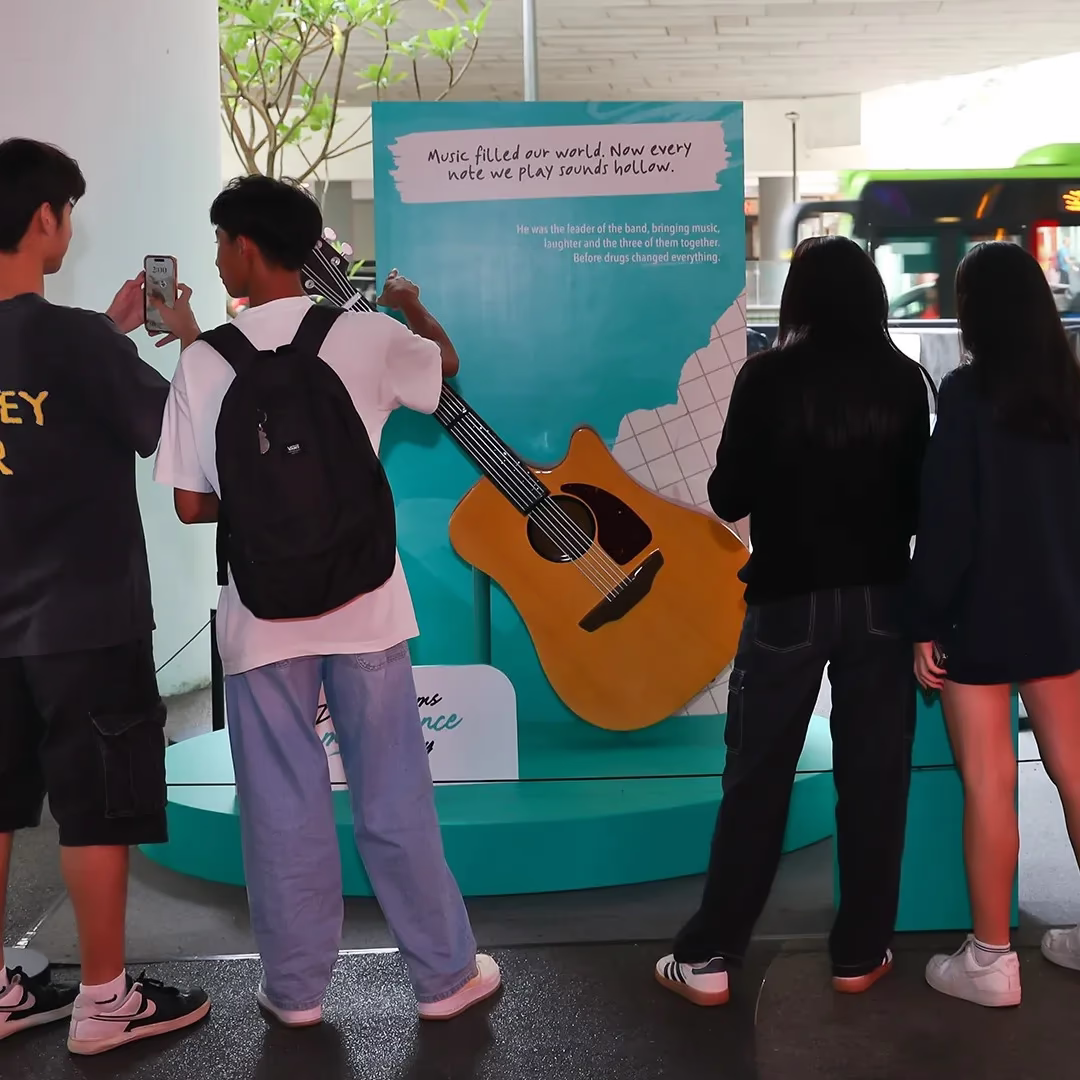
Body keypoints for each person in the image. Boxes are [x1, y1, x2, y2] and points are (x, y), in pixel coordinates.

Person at [154, 175, 500, 1027]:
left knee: (280, 807)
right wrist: (415, 312)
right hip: (368, 604)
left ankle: (297, 991)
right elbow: (445, 369)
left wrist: (268, 501)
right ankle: (446, 979)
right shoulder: (369, 337)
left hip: (260, 619)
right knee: (393, 796)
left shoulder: (203, 359)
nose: (216, 253)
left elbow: (192, 504)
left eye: (220, 238)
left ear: (243, 246)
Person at [655, 236, 931, 1006]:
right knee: (875, 780)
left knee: (757, 778)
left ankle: (709, 958)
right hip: (883, 597)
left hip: (785, 600)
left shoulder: (766, 376)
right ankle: (860, 953)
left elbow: (726, 496)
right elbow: (918, 504)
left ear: (800, 299)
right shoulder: (904, 380)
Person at [0, 137, 208, 1054]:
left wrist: (106, 334)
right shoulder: (74, 339)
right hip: (83, 620)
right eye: (67, 212)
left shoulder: (79, 338)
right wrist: (180, 340)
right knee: (94, 809)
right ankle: (105, 1001)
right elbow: (168, 429)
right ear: (47, 219)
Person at [911, 241, 1080, 1008]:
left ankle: (991, 960)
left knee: (989, 786)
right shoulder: (1071, 392)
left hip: (979, 621)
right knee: (1077, 777)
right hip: (1060, 614)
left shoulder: (968, 394)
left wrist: (924, 621)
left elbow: (947, 524)